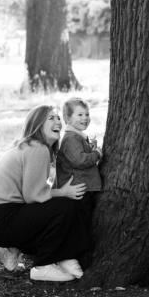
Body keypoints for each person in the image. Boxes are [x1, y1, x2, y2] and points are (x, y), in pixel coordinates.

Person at [0, 105, 94, 282]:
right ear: (37, 124)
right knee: (64, 206)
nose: (58, 122)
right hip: (0, 218)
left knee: (57, 208)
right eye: (51, 118)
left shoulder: (31, 147)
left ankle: (13, 248)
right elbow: (33, 196)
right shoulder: (37, 148)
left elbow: (35, 190)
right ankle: (43, 265)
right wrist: (62, 192)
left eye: (58, 118)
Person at [54, 97, 102, 236]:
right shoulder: (71, 138)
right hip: (77, 189)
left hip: (81, 187)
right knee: (80, 220)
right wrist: (96, 154)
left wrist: (90, 146)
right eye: (80, 115)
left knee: (84, 217)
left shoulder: (77, 136)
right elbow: (79, 160)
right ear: (67, 119)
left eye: (87, 114)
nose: (85, 118)